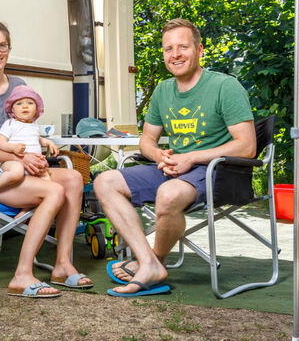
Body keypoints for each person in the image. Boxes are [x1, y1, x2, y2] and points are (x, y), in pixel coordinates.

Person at [94, 18, 255, 297]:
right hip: (175, 168)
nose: (175, 54)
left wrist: (192, 157)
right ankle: (149, 263)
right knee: (104, 181)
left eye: (183, 47)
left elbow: (247, 146)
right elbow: (147, 140)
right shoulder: (163, 91)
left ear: (200, 49)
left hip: (217, 171)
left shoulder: (224, 87)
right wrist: (157, 154)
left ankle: (152, 260)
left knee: (167, 195)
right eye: (168, 49)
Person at [0, 20, 92, 298]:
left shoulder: (18, 85)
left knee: (74, 179)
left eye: (2, 46)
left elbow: (27, 130)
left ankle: (63, 265)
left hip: (17, 166)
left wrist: (35, 149)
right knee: (53, 191)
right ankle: (22, 275)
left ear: (9, 48)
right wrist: (20, 155)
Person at [0, 85, 59, 203]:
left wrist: (48, 142)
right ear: (12, 110)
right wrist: (13, 147)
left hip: (32, 165)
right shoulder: (10, 124)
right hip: (12, 162)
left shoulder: (34, 125)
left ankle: (26, 209)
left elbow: (38, 139)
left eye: (30, 103)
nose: (25, 106)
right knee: (16, 172)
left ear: (36, 108)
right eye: (19, 103)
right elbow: (0, 142)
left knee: (47, 180)